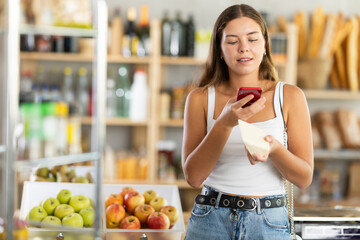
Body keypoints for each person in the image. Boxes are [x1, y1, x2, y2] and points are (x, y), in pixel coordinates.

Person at [182, 4, 313, 240]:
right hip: (211, 219)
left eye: (252, 39)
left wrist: (273, 149)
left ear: (265, 46)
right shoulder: (201, 99)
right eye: (232, 41)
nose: (244, 48)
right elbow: (193, 177)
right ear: (220, 49)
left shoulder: (290, 96)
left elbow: (304, 178)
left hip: (268, 223)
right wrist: (225, 122)